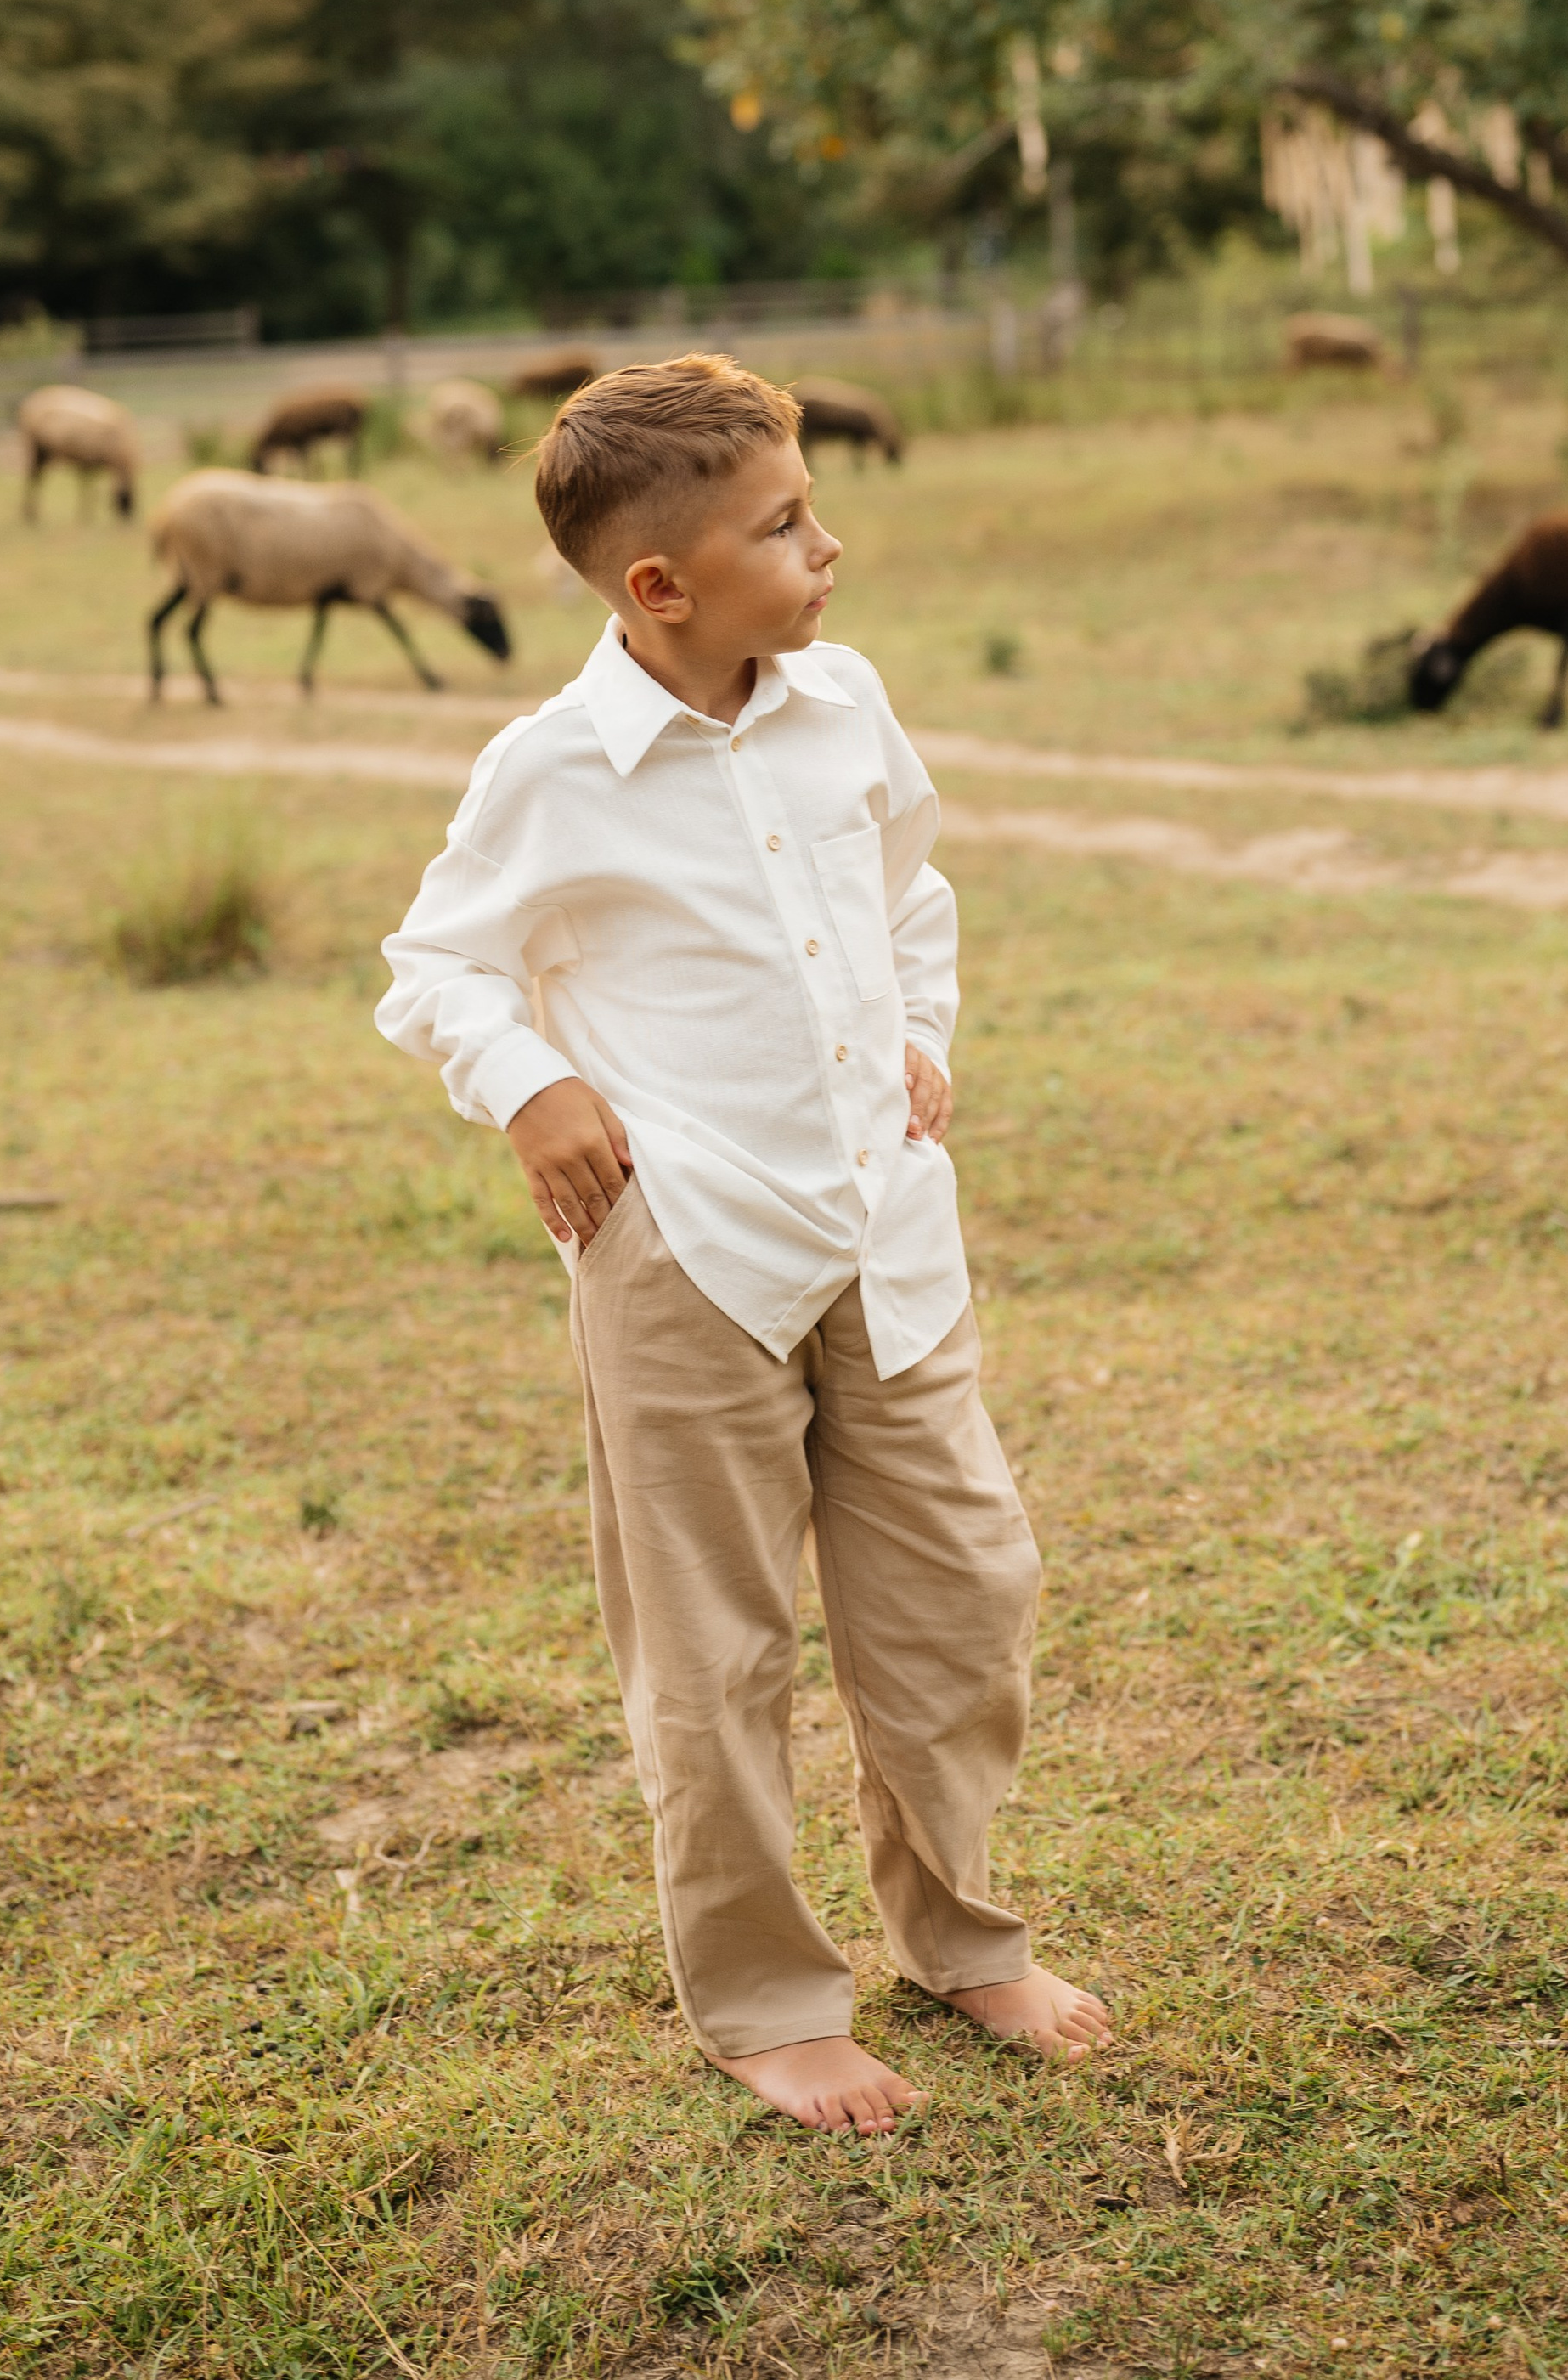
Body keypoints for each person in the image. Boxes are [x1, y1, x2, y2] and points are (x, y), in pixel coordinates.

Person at [375, 354, 1110, 2135]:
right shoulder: (550, 769)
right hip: (685, 1252)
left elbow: (908, 890)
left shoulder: (842, 702)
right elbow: (438, 965)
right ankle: (769, 1999)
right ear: (659, 586)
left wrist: (922, 1027)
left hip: (883, 1233)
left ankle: (958, 1928)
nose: (826, 543)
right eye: (785, 524)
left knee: (964, 1595)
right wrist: (531, 1085)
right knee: (711, 1649)